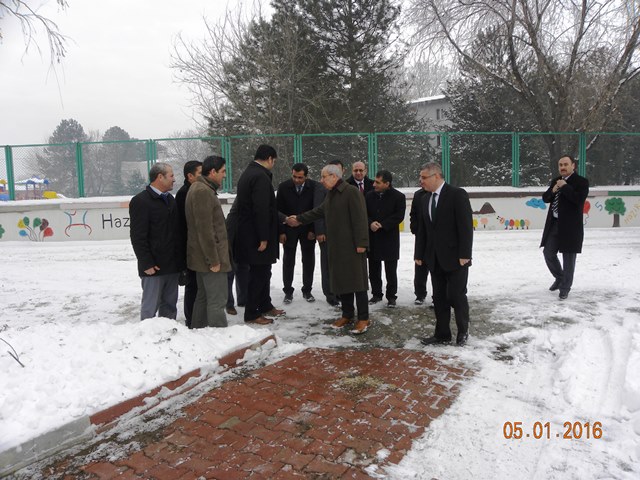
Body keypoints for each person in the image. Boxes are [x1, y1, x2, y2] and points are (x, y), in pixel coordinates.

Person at [288, 164, 370, 334]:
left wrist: (362, 243)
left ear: (334, 176)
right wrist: (299, 219)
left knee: (358, 283)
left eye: (324, 176)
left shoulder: (351, 192)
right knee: (342, 281)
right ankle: (347, 314)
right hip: (337, 246)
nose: (321, 180)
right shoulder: (331, 194)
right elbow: (319, 211)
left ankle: (363, 318)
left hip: (353, 247)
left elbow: (360, 218)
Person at [414, 162, 473, 346]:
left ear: (436, 176)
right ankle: (442, 334)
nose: (421, 181)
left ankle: (463, 331)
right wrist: (419, 254)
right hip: (433, 258)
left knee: (456, 295)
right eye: (421, 177)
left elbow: (465, 227)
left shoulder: (457, 194)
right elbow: (423, 230)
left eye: (424, 177)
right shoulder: (424, 199)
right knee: (439, 298)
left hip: (456, 258)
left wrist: (465, 254)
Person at [235, 145, 284, 325]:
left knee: (264, 271)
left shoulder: (250, 173)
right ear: (270, 158)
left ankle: (265, 305)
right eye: (274, 161)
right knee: (258, 274)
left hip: (250, 233)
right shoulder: (259, 176)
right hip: (257, 237)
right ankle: (252, 313)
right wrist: (263, 237)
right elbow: (261, 209)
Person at [129, 162, 181, 321]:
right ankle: (148, 340)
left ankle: (169, 335)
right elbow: (138, 236)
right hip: (153, 268)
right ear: (160, 177)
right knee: (150, 309)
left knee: (170, 306)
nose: (174, 180)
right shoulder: (141, 201)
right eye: (171, 176)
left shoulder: (170, 200)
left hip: (172, 266)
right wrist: (147, 263)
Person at [184, 156, 230, 328]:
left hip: (202, 258)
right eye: (223, 171)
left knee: (203, 298)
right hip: (210, 259)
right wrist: (214, 260)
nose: (224, 175)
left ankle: (199, 333)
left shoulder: (200, 188)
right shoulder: (202, 191)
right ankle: (219, 337)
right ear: (212, 172)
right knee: (217, 300)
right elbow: (205, 230)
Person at [540, 155, 589, 300]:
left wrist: (565, 187)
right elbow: (545, 198)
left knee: (568, 257)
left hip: (570, 227)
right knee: (548, 253)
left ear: (573, 166)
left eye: (566, 164)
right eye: (560, 164)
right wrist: (554, 189)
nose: (562, 167)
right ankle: (560, 277)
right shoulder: (556, 180)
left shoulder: (581, 182)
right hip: (554, 224)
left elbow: (578, 200)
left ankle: (565, 287)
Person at [277, 163, 318, 304]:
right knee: (288, 260)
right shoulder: (283, 187)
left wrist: (313, 229)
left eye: (300, 178)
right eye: (294, 176)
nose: (297, 180)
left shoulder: (313, 187)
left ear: (306, 176)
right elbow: (278, 210)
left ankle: (307, 290)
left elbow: (316, 209)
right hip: (289, 229)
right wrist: (281, 231)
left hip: (307, 229)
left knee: (308, 260)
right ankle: (288, 291)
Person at [365, 170, 406, 307]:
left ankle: (391, 297)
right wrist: (370, 222)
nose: (374, 184)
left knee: (390, 270)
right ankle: (376, 294)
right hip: (373, 237)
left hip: (389, 238)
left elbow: (399, 216)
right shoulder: (369, 196)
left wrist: (383, 225)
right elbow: (363, 213)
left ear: (387, 183)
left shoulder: (398, 197)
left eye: (378, 182)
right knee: (373, 269)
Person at [175, 160, 202, 328]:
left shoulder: (197, 190)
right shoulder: (184, 193)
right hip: (189, 248)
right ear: (190, 176)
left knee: (198, 285)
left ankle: (196, 317)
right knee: (192, 285)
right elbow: (184, 225)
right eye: (200, 173)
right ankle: (191, 319)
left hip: (195, 247)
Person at [224, 197, 250, 315]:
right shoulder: (244, 195)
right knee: (230, 271)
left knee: (243, 268)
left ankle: (243, 299)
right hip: (232, 234)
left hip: (244, 235)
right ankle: (229, 303)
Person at [409, 186, 430, 305]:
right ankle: (420, 294)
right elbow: (413, 214)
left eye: (424, 177)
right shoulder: (418, 195)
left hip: (437, 237)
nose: (421, 181)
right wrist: (415, 228)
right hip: (421, 236)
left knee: (437, 267)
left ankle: (437, 296)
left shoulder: (444, 193)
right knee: (420, 264)